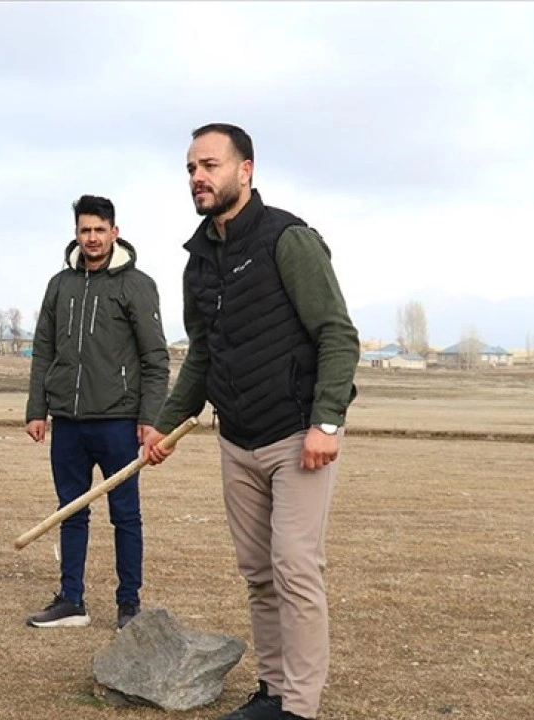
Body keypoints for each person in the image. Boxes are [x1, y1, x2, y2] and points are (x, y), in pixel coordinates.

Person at [144, 123, 360, 720]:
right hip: (236, 439)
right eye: (191, 168)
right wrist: (166, 422)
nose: (197, 177)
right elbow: (203, 353)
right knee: (260, 574)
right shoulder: (198, 261)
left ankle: (299, 708)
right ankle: (272, 691)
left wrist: (327, 423)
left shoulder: (287, 239)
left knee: (295, 569)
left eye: (209, 165)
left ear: (245, 170)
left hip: (297, 435)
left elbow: (337, 335)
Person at [24, 194, 171, 631]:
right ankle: (71, 600)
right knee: (70, 510)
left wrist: (149, 418)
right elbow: (43, 350)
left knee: (125, 515)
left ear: (114, 232)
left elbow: (155, 358)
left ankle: (129, 605)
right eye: (85, 230)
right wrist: (37, 409)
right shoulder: (60, 285)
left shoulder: (136, 285)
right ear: (76, 233)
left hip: (118, 421)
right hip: (68, 422)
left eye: (99, 230)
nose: (92, 238)